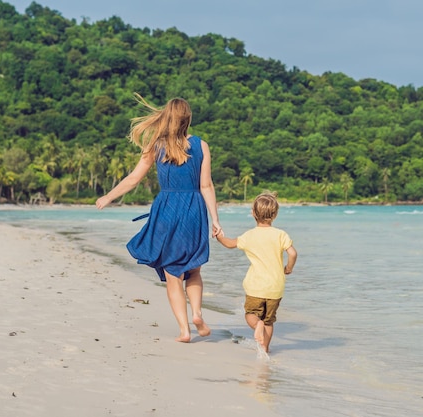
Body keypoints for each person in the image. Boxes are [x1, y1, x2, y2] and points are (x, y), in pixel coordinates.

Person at [96, 94, 222, 343]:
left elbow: (133, 179)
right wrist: (215, 220)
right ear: (188, 119)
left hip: (166, 209)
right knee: (193, 268)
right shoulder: (201, 145)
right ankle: (197, 314)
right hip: (194, 209)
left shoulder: (155, 145)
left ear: (166, 117)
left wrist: (108, 197)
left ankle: (185, 330)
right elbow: (206, 185)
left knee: (173, 274)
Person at [215, 192, 297, 353]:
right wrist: (288, 268)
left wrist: (219, 236)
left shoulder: (249, 235)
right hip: (275, 287)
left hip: (256, 287)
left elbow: (230, 243)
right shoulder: (280, 234)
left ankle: (256, 326)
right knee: (269, 320)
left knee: (251, 315)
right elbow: (293, 253)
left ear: (253, 213)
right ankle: (265, 348)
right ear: (275, 214)